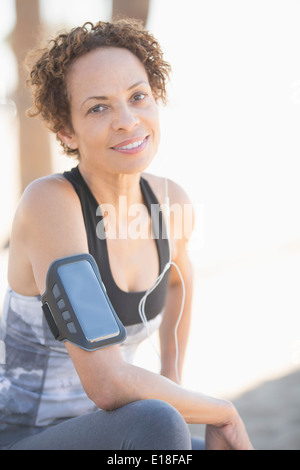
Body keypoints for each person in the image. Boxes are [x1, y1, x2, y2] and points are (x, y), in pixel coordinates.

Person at [0, 19, 253, 450]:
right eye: (98, 107)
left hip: (117, 433)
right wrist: (219, 410)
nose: (127, 120)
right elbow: (108, 383)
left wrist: (172, 378)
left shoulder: (171, 202)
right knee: (160, 421)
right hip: (23, 436)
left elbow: (178, 281)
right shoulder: (51, 204)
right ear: (66, 131)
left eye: (138, 97)